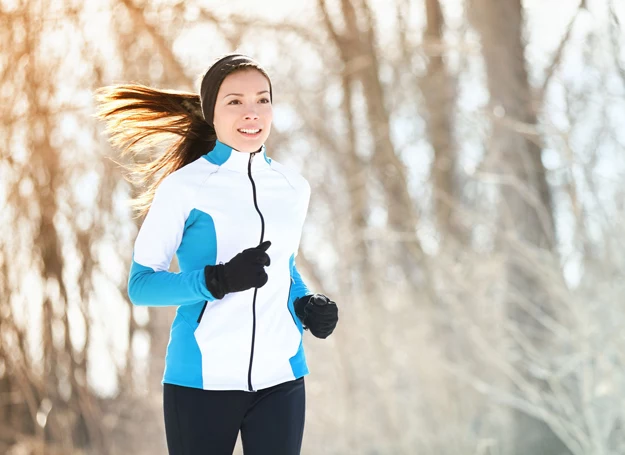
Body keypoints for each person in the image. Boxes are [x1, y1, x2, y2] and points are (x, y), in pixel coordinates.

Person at [95, 53, 339, 455]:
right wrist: (216, 280)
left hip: (282, 378)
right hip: (201, 382)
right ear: (212, 112)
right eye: (235, 101)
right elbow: (141, 286)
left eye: (263, 100)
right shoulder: (184, 187)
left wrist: (306, 304)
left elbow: (284, 270)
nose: (252, 112)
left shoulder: (293, 187)